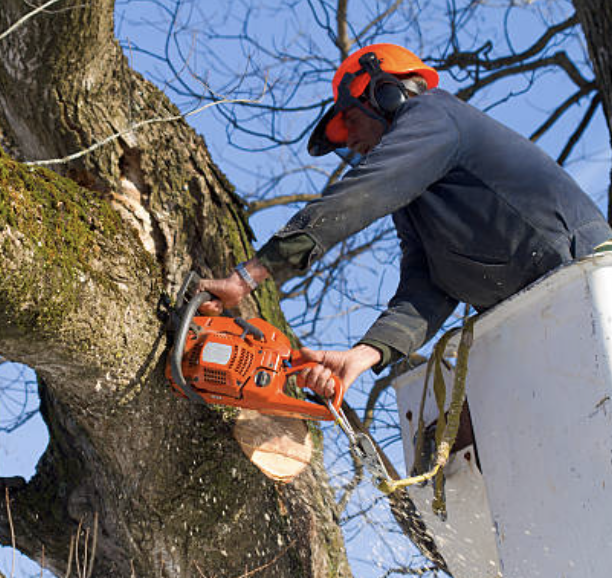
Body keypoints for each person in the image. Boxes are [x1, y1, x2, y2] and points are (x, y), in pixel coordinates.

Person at [199, 43, 612, 398]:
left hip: (584, 276)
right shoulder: (416, 199)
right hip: (539, 316)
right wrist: (364, 354)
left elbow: (365, 191)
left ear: (387, 94)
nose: (354, 144)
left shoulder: (436, 114)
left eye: (353, 122)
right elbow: (427, 284)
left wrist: (249, 275)